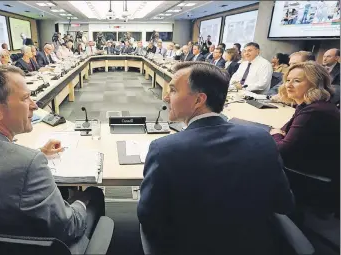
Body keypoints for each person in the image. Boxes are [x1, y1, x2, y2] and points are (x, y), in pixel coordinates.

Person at [0, 65, 106, 253]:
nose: (34, 105)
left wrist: (38, 152)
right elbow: (68, 227)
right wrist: (79, 202)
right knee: (92, 194)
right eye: (25, 98)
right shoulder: (29, 164)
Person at [138, 62, 294, 255]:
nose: (166, 97)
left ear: (199, 100)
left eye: (173, 90)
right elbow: (284, 203)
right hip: (254, 245)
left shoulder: (164, 149)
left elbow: (148, 216)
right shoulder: (262, 138)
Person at [270, 61, 339, 210]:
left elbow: (282, 149)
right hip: (314, 161)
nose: (289, 85)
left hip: (313, 174)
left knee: (256, 157)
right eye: (288, 80)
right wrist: (278, 134)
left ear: (315, 84)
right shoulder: (309, 105)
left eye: (297, 81)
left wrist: (276, 135)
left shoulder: (314, 111)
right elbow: (284, 129)